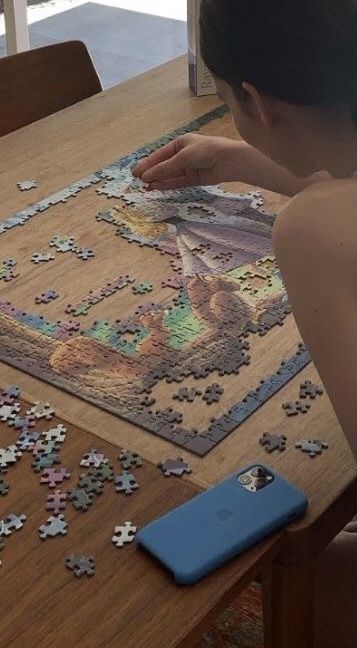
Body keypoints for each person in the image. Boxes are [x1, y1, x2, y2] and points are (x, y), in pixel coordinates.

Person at [132, 1, 357, 646]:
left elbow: (332, 220)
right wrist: (244, 159)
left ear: (257, 101)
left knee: (302, 585)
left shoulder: (314, 231)